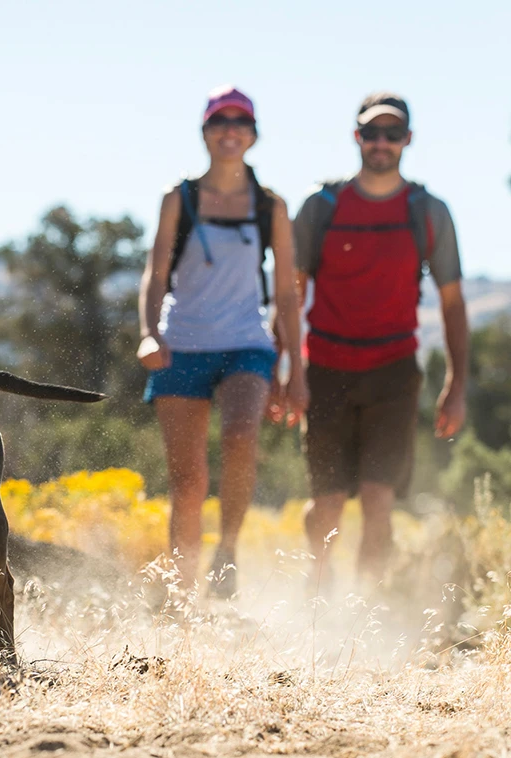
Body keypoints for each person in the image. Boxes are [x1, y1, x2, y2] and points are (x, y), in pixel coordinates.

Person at [292, 91, 469, 587]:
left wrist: (456, 384)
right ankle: (317, 590)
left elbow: (453, 303)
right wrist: (285, 369)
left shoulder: (428, 211)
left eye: (392, 133)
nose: (381, 142)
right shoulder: (320, 206)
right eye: (372, 132)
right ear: (357, 136)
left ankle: (367, 610)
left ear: (407, 139)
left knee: (378, 500)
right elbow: (290, 295)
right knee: (327, 503)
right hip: (325, 369)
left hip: (394, 372)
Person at [137, 85, 307, 593]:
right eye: (220, 122)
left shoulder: (270, 205)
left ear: (253, 135)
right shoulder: (179, 198)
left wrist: (296, 371)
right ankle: (180, 592)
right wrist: (148, 333)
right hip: (181, 345)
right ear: (205, 131)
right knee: (188, 483)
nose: (230, 131)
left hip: (246, 344)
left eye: (240, 122)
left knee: (240, 436)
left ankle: (227, 551)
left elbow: (287, 293)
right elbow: (155, 273)